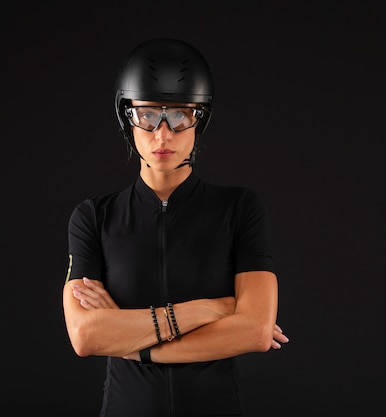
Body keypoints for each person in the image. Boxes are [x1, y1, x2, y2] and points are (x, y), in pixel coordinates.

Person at [62, 38, 289, 417]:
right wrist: (210, 309)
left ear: (201, 119)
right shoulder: (93, 217)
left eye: (181, 115)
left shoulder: (240, 209)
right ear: (127, 117)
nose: (163, 134)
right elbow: (85, 336)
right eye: (148, 115)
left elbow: (254, 331)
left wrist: (133, 344)